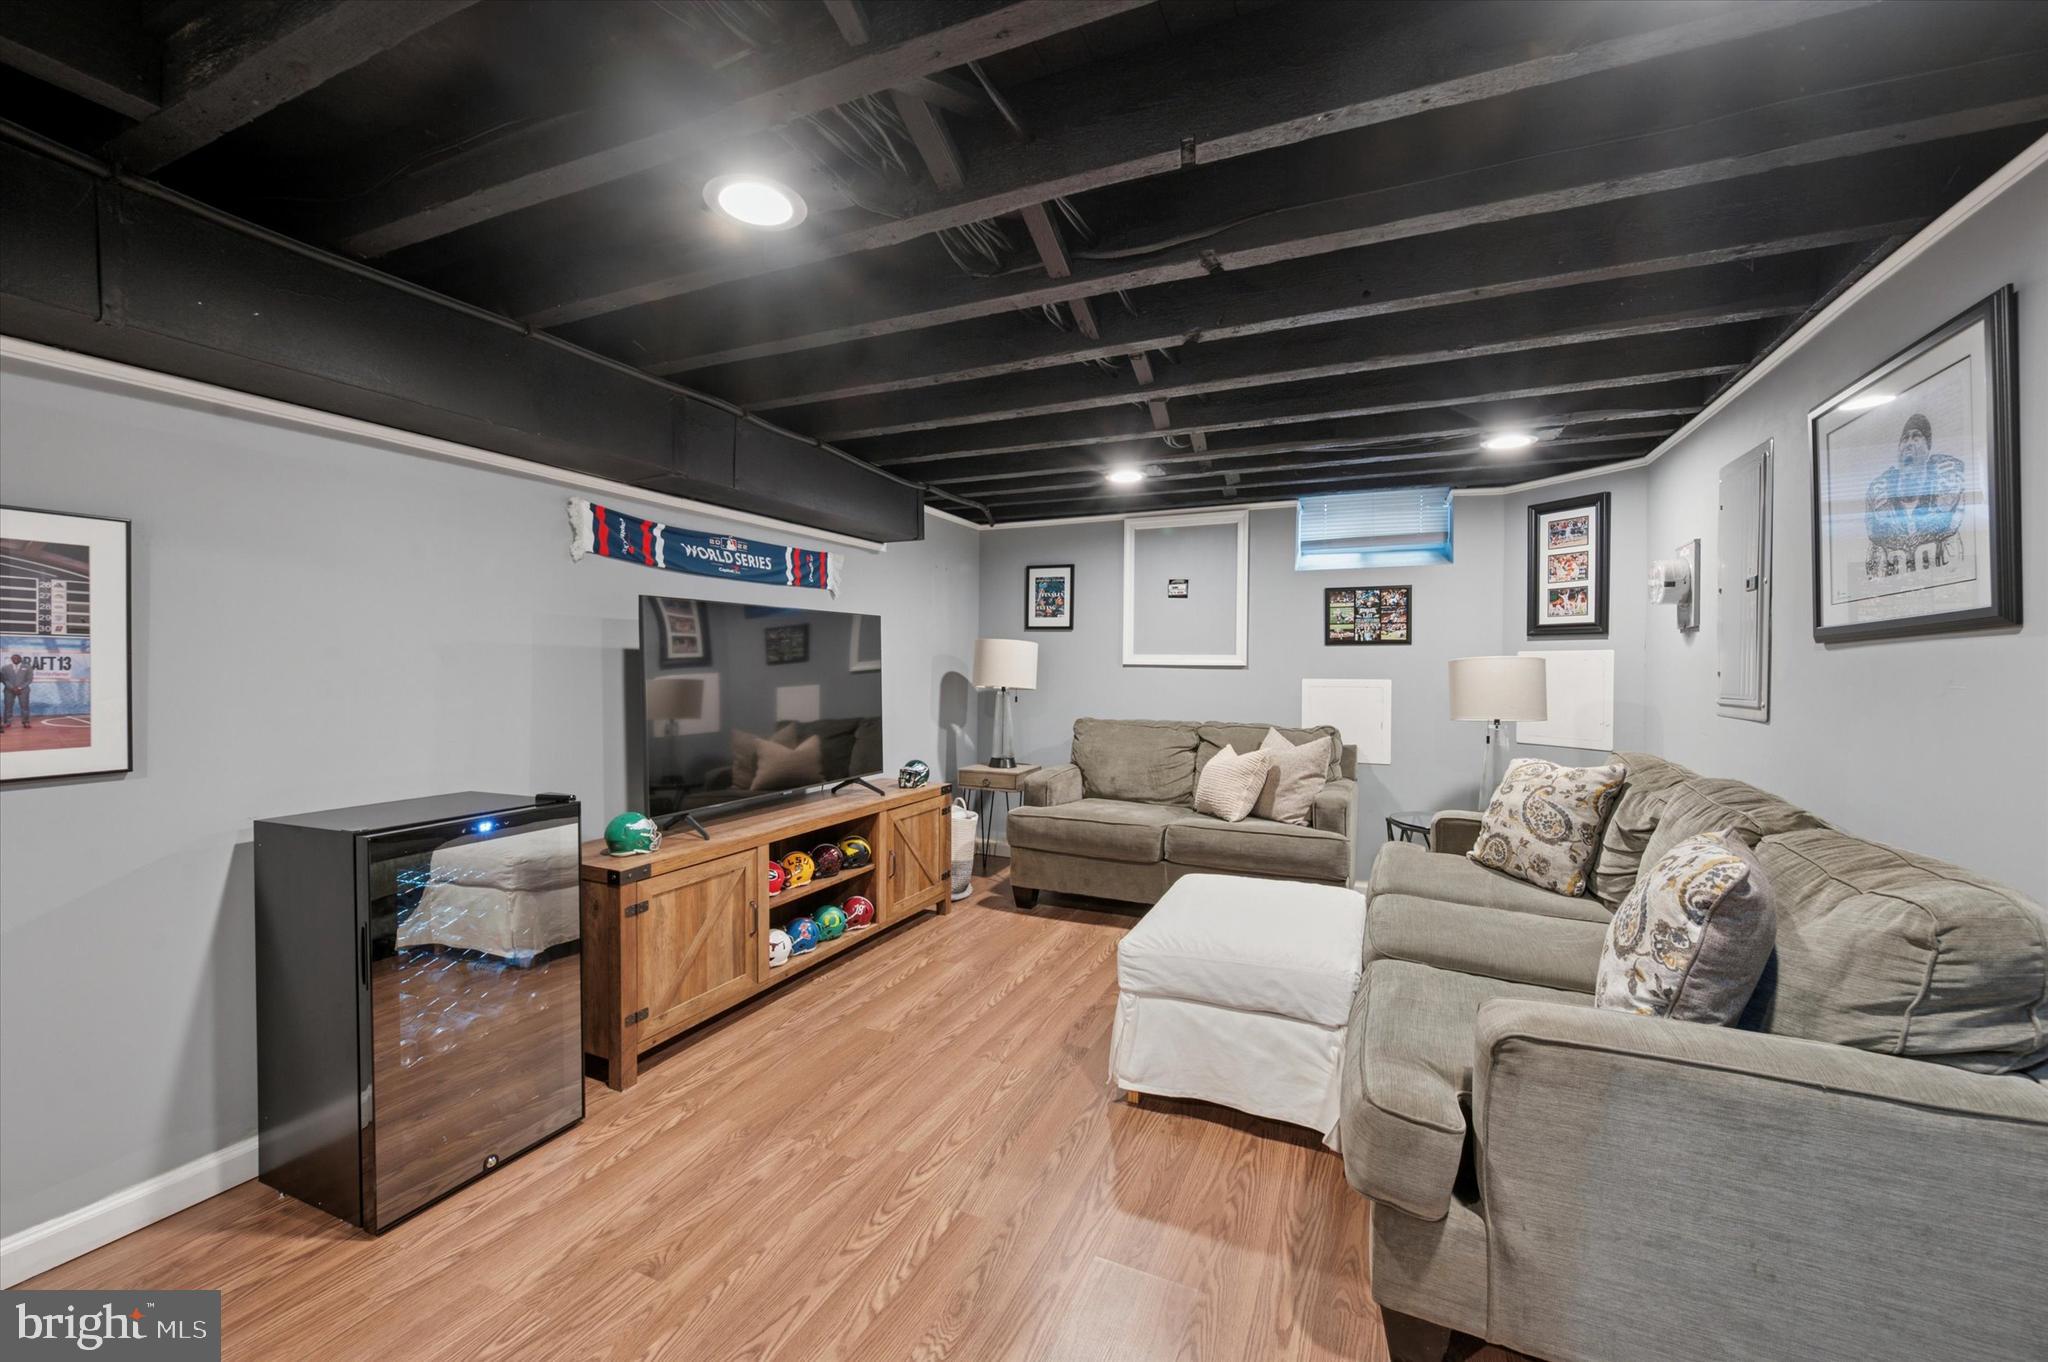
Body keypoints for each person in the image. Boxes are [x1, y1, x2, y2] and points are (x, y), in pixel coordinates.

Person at [0, 654, 31, 732]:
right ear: (11, 659)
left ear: (21, 659)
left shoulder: (27, 667)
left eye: (17, 658)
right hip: (9, 690)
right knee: (8, 707)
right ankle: (7, 722)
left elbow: (29, 680)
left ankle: (25, 722)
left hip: (23, 690)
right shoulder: (5, 668)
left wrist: (20, 688)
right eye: (14, 658)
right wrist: (12, 688)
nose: (16, 659)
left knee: (24, 706)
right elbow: (4, 680)